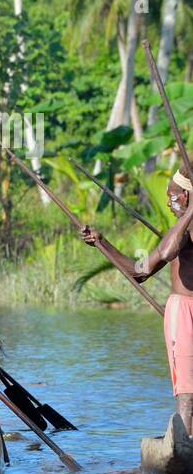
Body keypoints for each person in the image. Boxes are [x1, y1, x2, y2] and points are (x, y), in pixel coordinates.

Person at [80, 162, 193, 433]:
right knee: (188, 391)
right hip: (184, 313)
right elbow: (140, 270)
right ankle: (186, 442)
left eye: (173, 195)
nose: (168, 201)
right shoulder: (179, 233)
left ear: (187, 196)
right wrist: (101, 242)